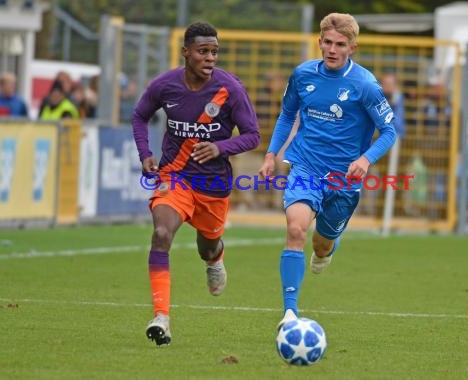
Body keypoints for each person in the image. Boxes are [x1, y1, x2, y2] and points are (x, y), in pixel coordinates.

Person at [258, 13, 396, 327]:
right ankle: (290, 312)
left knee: (322, 243)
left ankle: (324, 251)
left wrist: (365, 159)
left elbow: (389, 131)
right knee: (295, 231)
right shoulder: (303, 75)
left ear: (352, 47)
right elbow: (286, 115)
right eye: (328, 43)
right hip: (305, 166)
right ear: (320, 42)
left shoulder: (365, 85)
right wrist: (271, 154)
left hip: (343, 179)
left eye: (340, 44)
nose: (332, 49)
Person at [132, 22, 260, 346]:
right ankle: (161, 318)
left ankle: (215, 259)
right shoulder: (165, 85)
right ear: (186, 52)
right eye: (203, 51)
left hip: (213, 184)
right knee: (161, 234)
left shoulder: (230, 89)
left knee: (208, 245)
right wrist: (145, 153)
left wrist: (221, 147)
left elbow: (252, 135)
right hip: (174, 177)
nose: (210, 58)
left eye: (214, 52)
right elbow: (140, 115)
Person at [379, 72, 405, 139]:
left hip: (395, 133)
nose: (387, 86)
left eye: (390, 84)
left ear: (395, 85)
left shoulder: (398, 97)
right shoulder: (377, 96)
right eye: (385, 84)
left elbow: (398, 123)